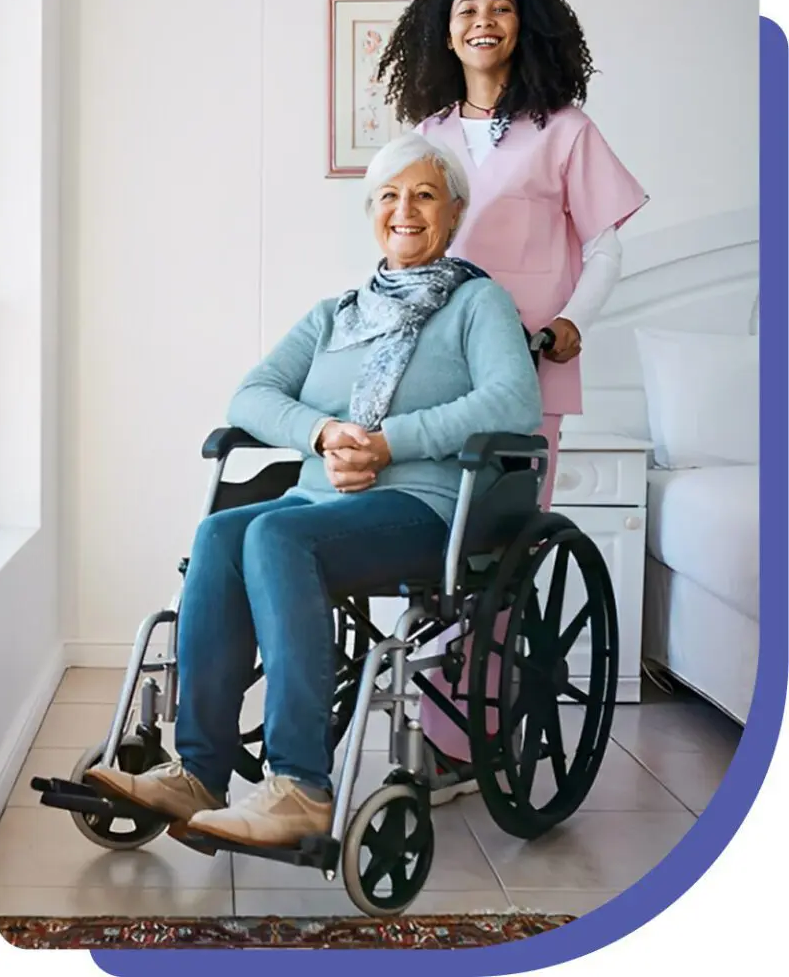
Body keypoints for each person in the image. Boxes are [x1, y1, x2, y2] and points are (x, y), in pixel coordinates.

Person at [83, 132, 543, 850]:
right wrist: (325, 434)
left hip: (425, 507)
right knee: (221, 533)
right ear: (371, 213)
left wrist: (391, 442)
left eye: (424, 195)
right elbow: (251, 396)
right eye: (388, 196)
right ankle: (199, 772)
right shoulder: (338, 312)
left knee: (272, 533)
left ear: (454, 212)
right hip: (319, 501)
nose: (404, 210)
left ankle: (301, 785)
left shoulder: (478, 302)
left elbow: (514, 401)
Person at [378, 0, 648, 802]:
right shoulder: (429, 133)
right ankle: (425, 721)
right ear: (445, 31)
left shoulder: (563, 130)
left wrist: (571, 323)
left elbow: (605, 246)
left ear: (525, 25)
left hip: (527, 369)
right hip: (436, 365)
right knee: (430, 550)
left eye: (500, 8)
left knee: (494, 559)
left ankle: (470, 737)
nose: (483, 20)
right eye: (467, 9)